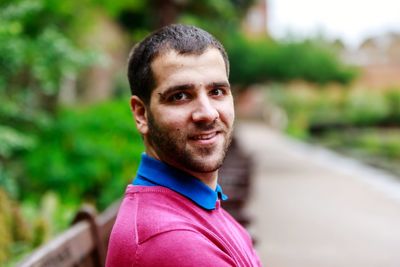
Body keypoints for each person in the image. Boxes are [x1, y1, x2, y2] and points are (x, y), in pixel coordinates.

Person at [106, 24, 261, 267]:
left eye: (217, 91)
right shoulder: (172, 241)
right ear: (141, 114)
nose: (207, 114)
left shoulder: (196, 203)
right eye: (180, 96)